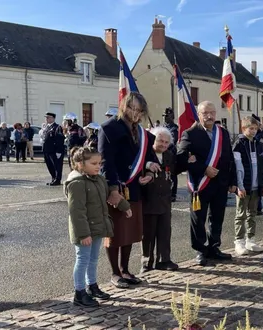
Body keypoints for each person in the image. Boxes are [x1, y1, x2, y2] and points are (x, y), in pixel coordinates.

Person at [99, 92, 159, 288]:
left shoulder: (143, 134)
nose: (135, 113)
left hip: (135, 187)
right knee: (115, 232)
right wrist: (112, 189)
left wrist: (150, 174)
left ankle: (125, 269)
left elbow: (151, 159)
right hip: (116, 187)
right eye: (132, 108)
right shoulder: (109, 128)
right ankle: (115, 273)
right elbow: (106, 162)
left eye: (139, 110)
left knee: (131, 231)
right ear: (124, 106)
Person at [65, 146, 131, 307]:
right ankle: (79, 293)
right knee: (82, 259)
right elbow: (76, 212)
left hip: (97, 227)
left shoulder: (98, 179)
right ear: (80, 163)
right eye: (93, 163)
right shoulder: (77, 183)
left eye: (99, 163)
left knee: (93, 259)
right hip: (85, 231)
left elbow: (110, 194)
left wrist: (124, 206)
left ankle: (92, 286)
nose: (98, 166)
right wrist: (83, 234)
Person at [177, 101, 237, 266]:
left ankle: (214, 247)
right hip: (200, 185)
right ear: (198, 114)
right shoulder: (190, 134)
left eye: (212, 112)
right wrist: (203, 168)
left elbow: (229, 159)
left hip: (221, 184)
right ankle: (200, 250)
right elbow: (181, 158)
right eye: (205, 113)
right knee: (198, 218)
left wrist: (233, 181)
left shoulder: (222, 133)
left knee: (217, 217)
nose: (209, 116)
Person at [140, 127, 180, 273]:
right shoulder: (145, 153)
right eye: (160, 141)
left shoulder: (169, 155)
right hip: (149, 199)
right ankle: (147, 262)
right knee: (148, 234)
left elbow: (174, 171)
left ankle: (164, 260)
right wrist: (146, 167)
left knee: (164, 231)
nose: (163, 144)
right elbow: (137, 167)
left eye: (166, 142)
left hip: (165, 199)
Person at [232, 117, 263, 256]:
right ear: (244, 129)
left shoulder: (259, 144)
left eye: (255, 128)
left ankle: (250, 239)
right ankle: (239, 241)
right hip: (244, 186)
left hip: (256, 186)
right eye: (251, 128)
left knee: (252, 214)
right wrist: (239, 186)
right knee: (241, 214)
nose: (254, 131)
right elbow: (237, 167)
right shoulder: (239, 144)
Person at [252, 115, 263, 215]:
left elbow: (262, 146)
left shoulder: (262, 135)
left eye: (255, 125)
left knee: (259, 184)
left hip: (259, 162)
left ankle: (258, 207)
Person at [42, 112, 65, 185]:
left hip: (54, 150)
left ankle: (57, 180)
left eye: (48, 117)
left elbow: (60, 139)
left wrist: (59, 151)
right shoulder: (47, 127)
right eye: (46, 117)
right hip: (47, 150)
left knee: (56, 166)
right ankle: (53, 178)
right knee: (50, 165)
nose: (46, 119)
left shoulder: (57, 127)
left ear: (53, 118)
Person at [163, 108, 179, 202]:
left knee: (172, 175)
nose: (165, 118)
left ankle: (173, 194)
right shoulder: (163, 127)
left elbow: (172, 141)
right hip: (163, 155)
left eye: (167, 116)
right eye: (164, 116)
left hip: (171, 155)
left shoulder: (174, 128)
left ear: (172, 117)